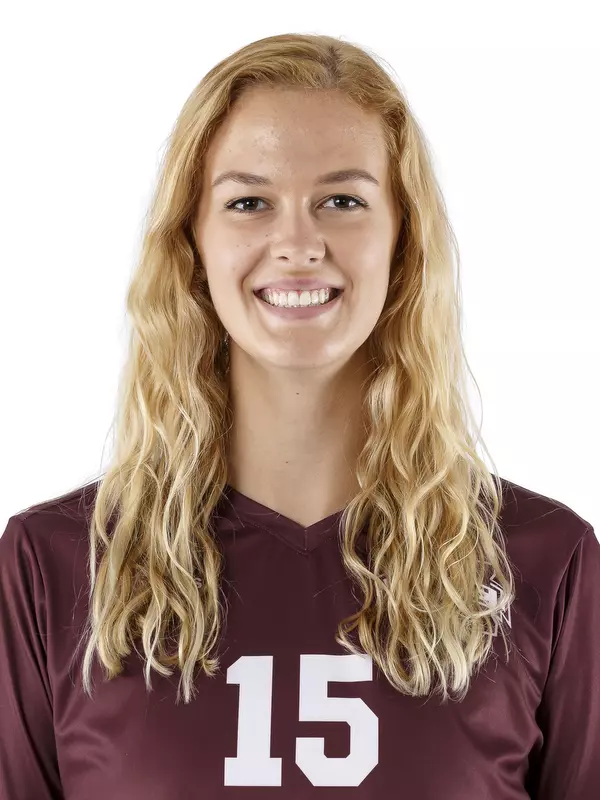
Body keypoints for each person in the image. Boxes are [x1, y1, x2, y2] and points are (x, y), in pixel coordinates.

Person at [1, 32, 598, 800]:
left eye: (342, 201)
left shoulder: (544, 566)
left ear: (403, 241)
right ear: (193, 243)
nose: (297, 243)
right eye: (249, 202)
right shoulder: (54, 568)